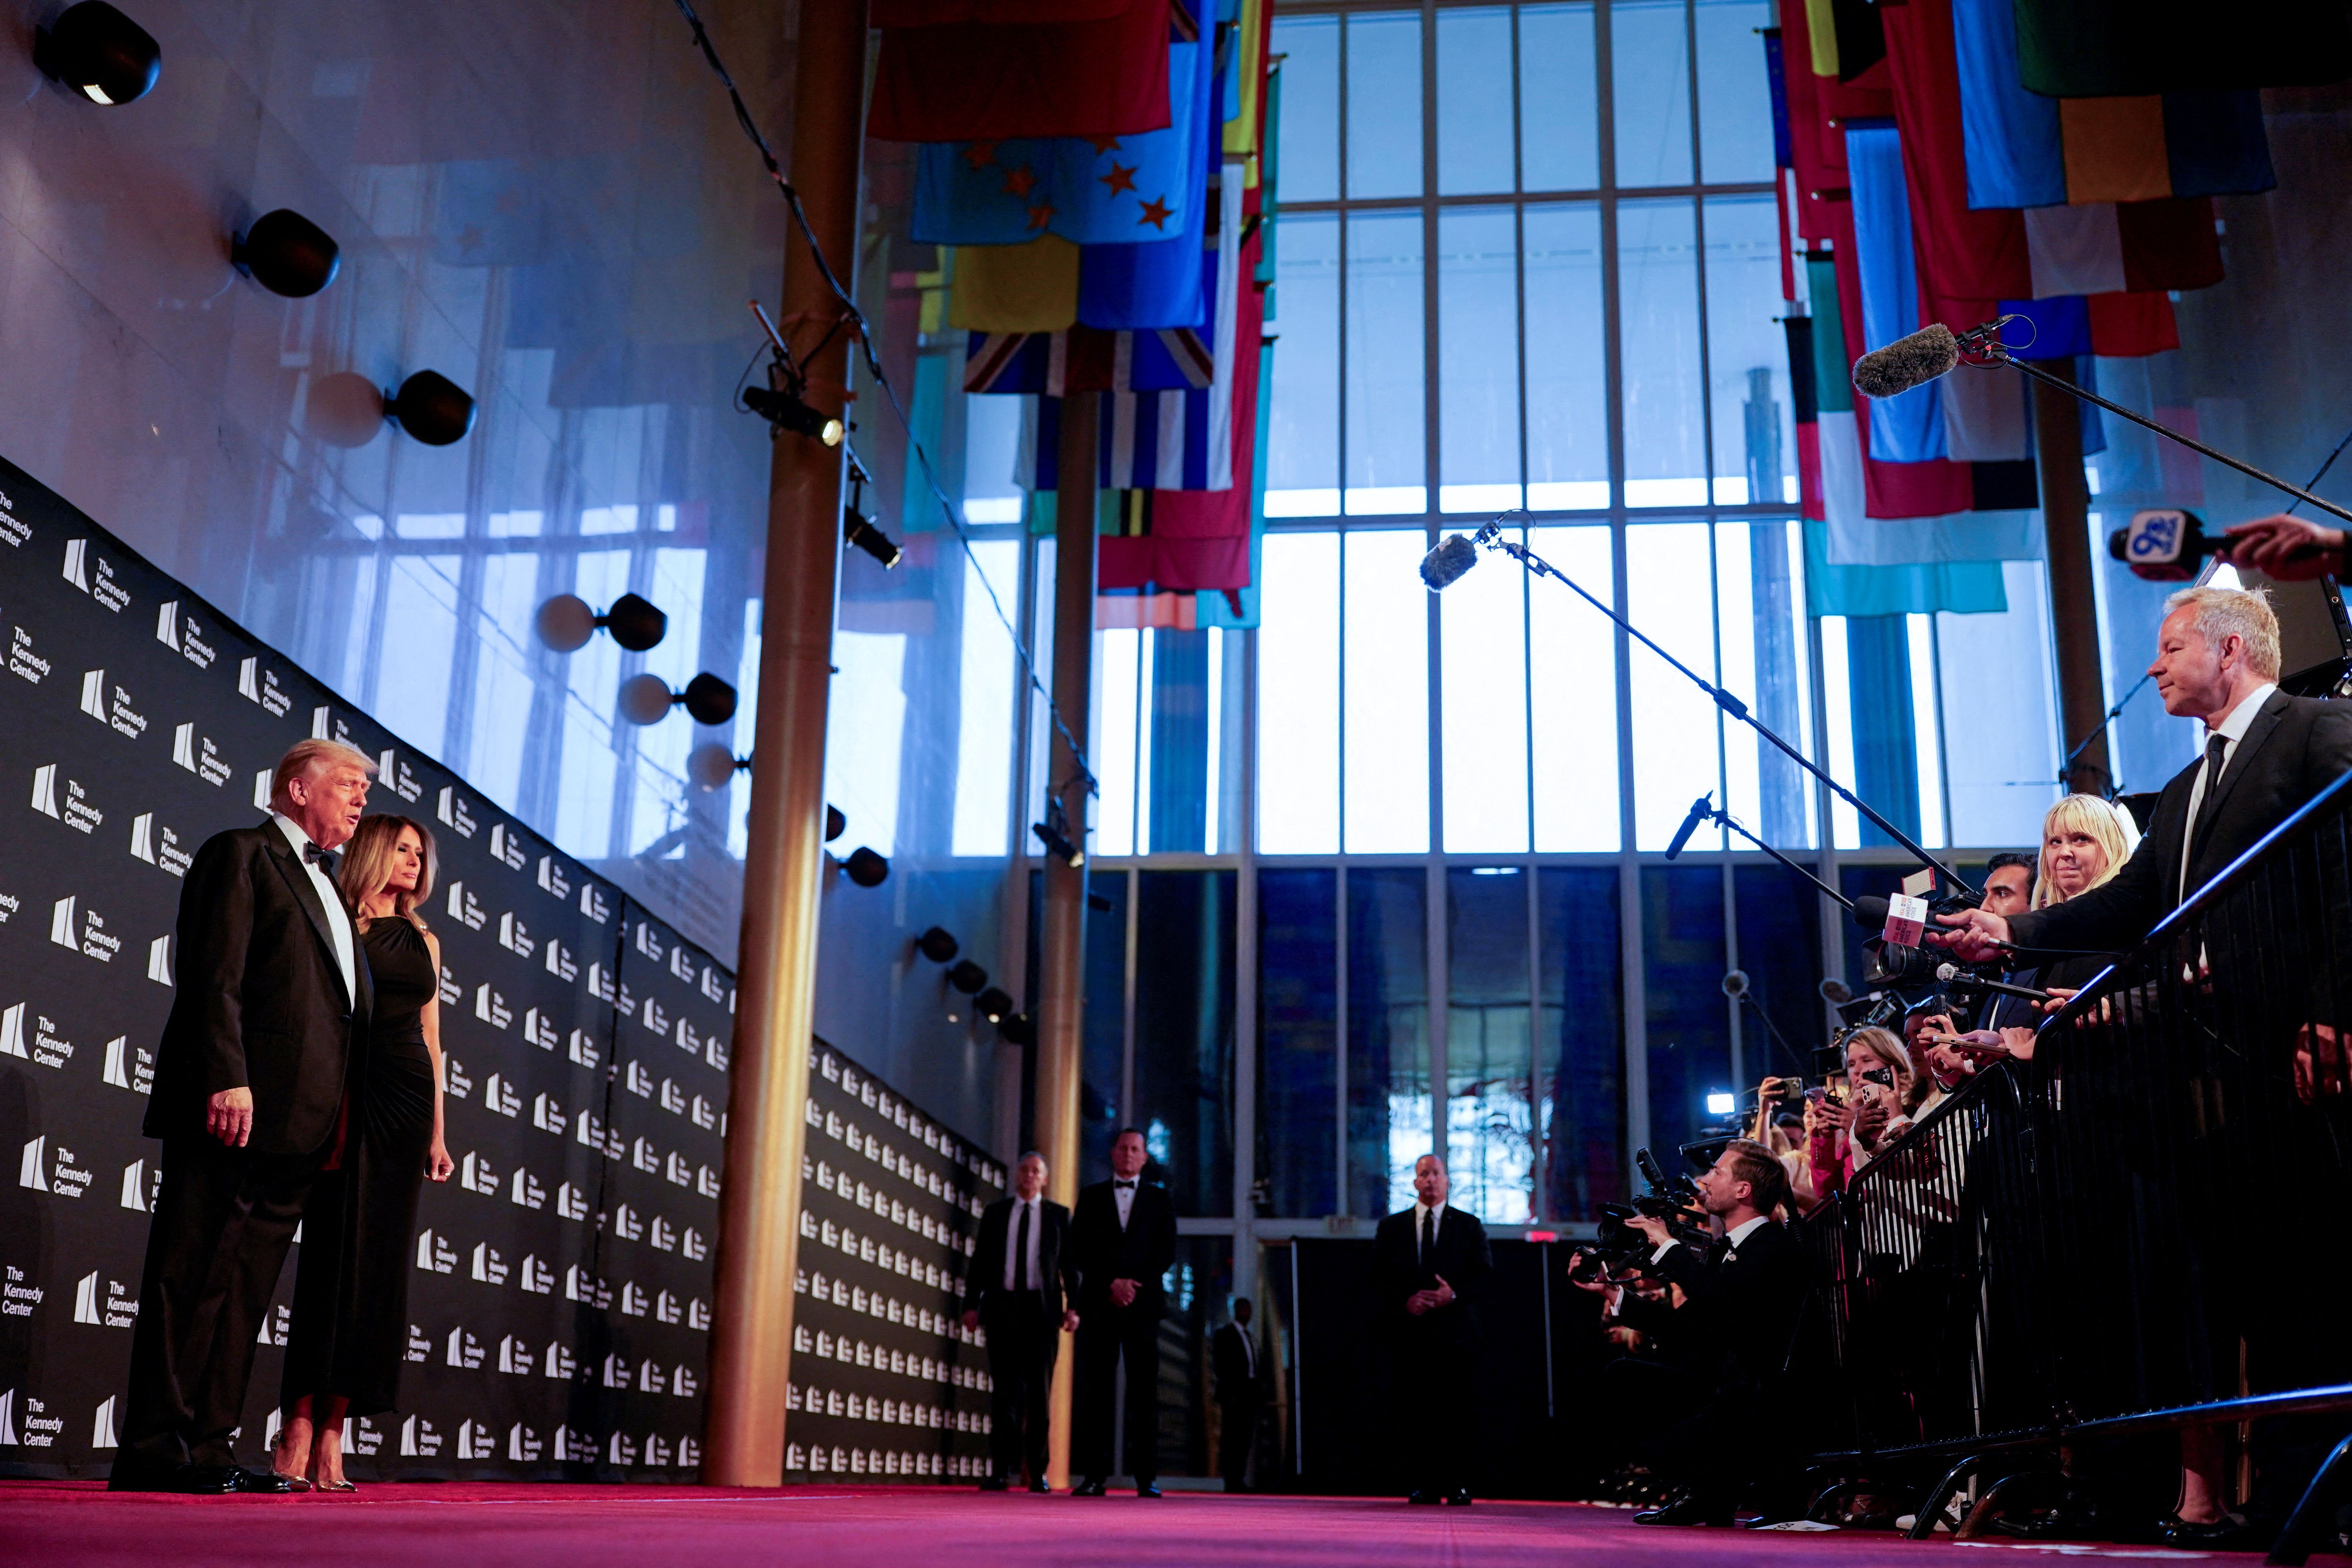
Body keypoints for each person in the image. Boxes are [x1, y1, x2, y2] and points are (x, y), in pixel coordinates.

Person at [111, 740, 376, 1494]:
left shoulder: (331, 885)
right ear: (298, 789)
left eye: (364, 789)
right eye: (348, 785)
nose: (361, 800)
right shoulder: (242, 854)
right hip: (236, 1106)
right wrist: (227, 1077)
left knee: (244, 1293)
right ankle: (156, 1451)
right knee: (192, 1276)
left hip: (305, 1124)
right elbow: (212, 977)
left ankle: (209, 1448)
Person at [270, 815, 454, 1490]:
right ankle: (296, 1424)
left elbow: (432, 1039)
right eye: (401, 849)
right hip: (344, 1095)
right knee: (331, 1259)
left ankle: (334, 1435)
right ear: (373, 851)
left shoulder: (425, 940)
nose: (413, 861)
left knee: (378, 1270)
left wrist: (438, 1133)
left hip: (406, 1102)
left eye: (419, 853)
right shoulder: (337, 921)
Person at [1573, 1140, 1811, 1526]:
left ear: (1743, 1190)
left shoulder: (1773, 1247)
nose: (1705, 1180)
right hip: (1723, 1391)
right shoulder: (1730, 1249)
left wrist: (1669, 1245)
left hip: (1759, 1403)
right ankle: (1708, 1493)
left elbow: (1720, 1298)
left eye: (1717, 1172)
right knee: (1622, 1376)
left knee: (1663, 1447)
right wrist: (1612, 1291)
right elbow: (1685, 1324)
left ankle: (1719, 1489)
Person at [1369, 1153, 1493, 1506]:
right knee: (1416, 1411)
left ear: (1447, 1181)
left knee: (1457, 1411)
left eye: (1436, 1174)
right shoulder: (1391, 1227)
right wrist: (1405, 1300)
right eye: (1423, 1174)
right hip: (1410, 1337)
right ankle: (1423, 1483)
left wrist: (1452, 1295)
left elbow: (1484, 1277)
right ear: (1414, 1183)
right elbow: (1378, 1277)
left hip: (1457, 1338)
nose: (1430, 1180)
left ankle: (1458, 1484)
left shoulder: (1469, 1226)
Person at [1068, 1127, 1177, 1497]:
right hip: (1101, 1305)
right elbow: (1079, 1249)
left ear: (1145, 1157)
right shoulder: (1091, 1197)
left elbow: (1166, 1251)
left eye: (1135, 1149)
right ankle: (1094, 1476)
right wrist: (1112, 1283)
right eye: (1123, 1148)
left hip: (1143, 1307)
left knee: (1145, 1394)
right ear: (1113, 1154)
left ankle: (1147, 1478)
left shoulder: (1161, 1199)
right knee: (1096, 1392)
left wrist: (1132, 1284)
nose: (1129, 1154)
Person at [962, 1151, 1078, 1493]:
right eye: (1024, 1170)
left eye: (1036, 1171)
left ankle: (1038, 1473)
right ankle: (1000, 1470)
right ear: (1017, 1176)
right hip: (1002, 1309)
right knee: (1004, 1394)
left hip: (1042, 1313)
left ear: (1045, 1179)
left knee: (1040, 1396)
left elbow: (1069, 1266)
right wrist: (971, 1305)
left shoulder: (1058, 1216)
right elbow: (980, 1262)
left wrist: (1074, 1308)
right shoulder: (996, 1213)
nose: (1029, 1176)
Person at [1212, 1298, 1264, 1492]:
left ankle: (1239, 1479)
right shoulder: (1225, 1335)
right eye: (1244, 1310)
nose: (1247, 1314)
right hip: (1234, 1395)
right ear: (1237, 1311)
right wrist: (1230, 1392)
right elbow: (1221, 1364)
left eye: (1249, 1310)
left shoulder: (1250, 1338)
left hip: (1249, 1395)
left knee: (1244, 1438)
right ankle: (1231, 1480)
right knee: (1231, 1437)